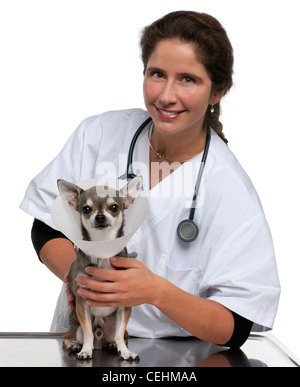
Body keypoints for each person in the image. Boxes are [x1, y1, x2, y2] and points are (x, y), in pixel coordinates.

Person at [20, 11, 280, 348]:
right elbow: (46, 225)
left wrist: (156, 292)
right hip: (86, 344)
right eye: (157, 74)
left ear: (217, 92)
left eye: (188, 79)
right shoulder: (100, 134)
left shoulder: (230, 190)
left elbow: (237, 325)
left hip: (179, 357)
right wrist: (84, 280)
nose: (166, 95)